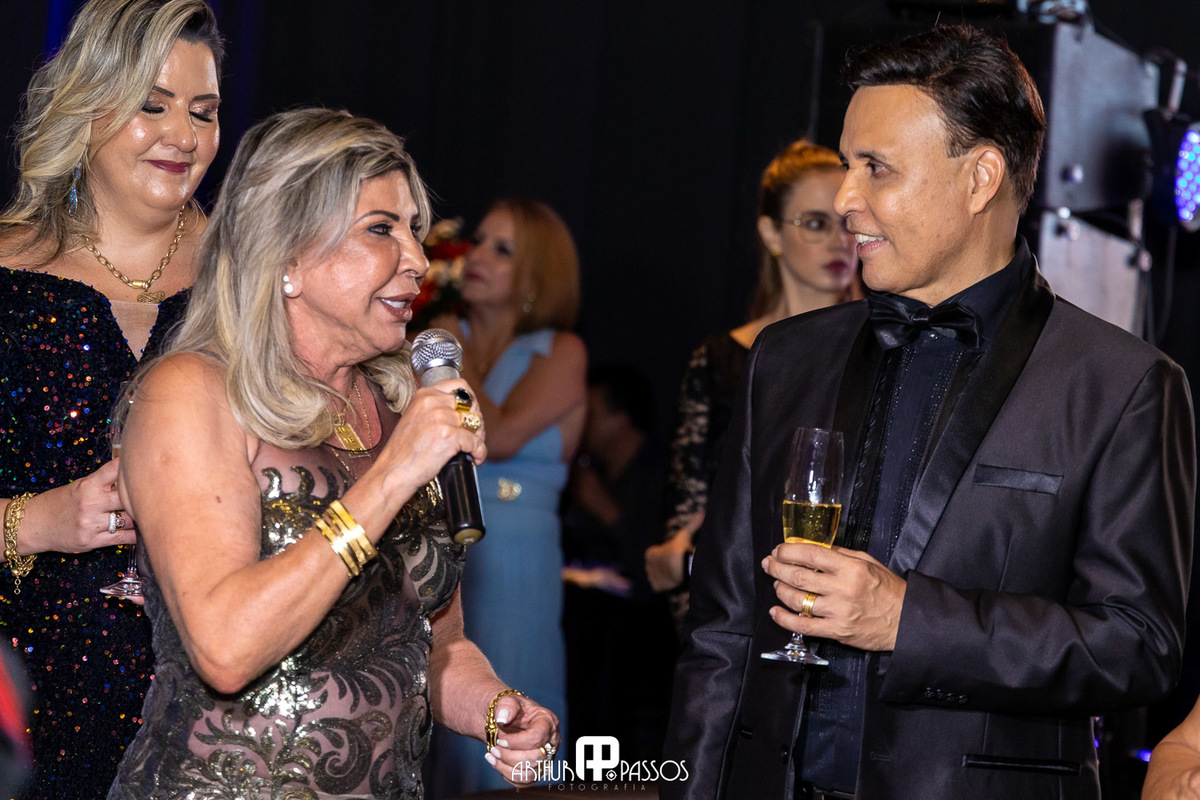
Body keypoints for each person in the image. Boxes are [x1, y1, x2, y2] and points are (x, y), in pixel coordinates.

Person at [663, 24, 1195, 800]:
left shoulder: (1121, 384)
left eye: (876, 168)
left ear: (980, 179)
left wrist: (909, 621)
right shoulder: (784, 357)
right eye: (848, 165)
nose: (845, 200)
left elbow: (1136, 647)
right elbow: (720, 632)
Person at [104, 108, 560, 799]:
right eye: (381, 229)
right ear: (287, 254)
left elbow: (434, 645)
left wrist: (496, 709)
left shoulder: (403, 411)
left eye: (413, 229)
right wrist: (395, 474)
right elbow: (224, 648)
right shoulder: (189, 394)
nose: (418, 260)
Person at [0, 1, 222, 795]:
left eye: (203, 111)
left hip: (212, 709)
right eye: (152, 105)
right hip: (27, 702)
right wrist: (37, 521)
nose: (184, 135)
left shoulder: (250, 283)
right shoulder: (7, 275)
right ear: (88, 105)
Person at [645, 140, 858, 630]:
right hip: (737, 613)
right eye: (816, 223)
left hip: (844, 616)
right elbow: (681, 535)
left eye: (847, 223)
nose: (839, 241)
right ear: (771, 233)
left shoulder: (883, 352)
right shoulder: (724, 360)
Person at [425, 197, 586, 797]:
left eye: (503, 249)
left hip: (520, 559)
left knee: (517, 704)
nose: (477, 256)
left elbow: (504, 433)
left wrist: (448, 356)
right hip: (443, 539)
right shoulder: (437, 339)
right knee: (443, 692)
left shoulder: (561, 350)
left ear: (537, 275)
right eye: (479, 241)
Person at [562, 364, 676, 760]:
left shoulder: (664, 476)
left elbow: (654, 575)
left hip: (642, 635)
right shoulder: (586, 473)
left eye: (590, 412)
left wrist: (607, 511)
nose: (581, 422)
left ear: (620, 417)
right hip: (589, 624)